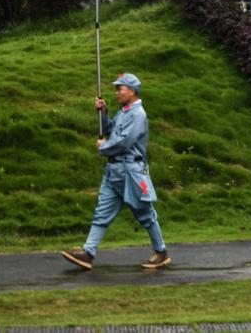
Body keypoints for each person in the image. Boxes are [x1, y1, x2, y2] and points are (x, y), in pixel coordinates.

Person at [62, 73, 170, 270]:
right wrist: (103, 112)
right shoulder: (124, 111)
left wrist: (104, 147)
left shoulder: (138, 114)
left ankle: (161, 252)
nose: (117, 92)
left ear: (132, 90)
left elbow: (124, 142)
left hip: (131, 172)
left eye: (120, 88)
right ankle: (88, 253)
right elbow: (111, 129)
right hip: (114, 171)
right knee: (101, 213)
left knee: (145, 214)